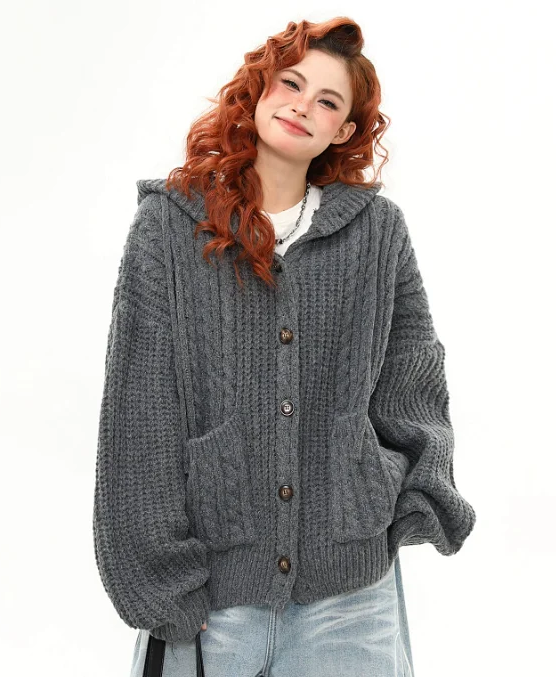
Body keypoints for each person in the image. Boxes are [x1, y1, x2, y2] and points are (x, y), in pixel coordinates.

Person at [92, 16, 476, 677]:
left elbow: (411, 373)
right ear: (259, 89)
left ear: (343, 130)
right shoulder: (169, 225)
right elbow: (139, 410)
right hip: (211, 587)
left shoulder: (377, 231)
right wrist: (159, 581)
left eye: (327, 101)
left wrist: (417, 487)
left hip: (352, 592)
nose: (302, 105)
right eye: (291, 84)